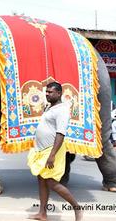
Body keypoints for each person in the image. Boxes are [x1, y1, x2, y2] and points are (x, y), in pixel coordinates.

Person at [27, 82, 82, 221]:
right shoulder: (49, 107)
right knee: (41, 179)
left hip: (52, 151)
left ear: (59, 93)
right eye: (46, 92)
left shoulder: (62, 110)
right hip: (41, 150)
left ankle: (77, 208)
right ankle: (42, 214)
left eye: (50, 92)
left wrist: (52, 155)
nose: (47, 94)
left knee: (52, 182)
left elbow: (60, 133)